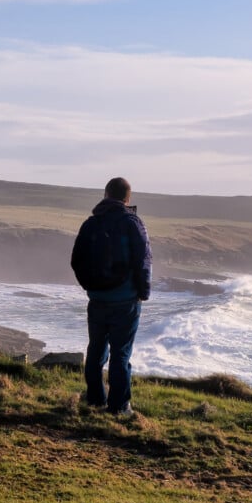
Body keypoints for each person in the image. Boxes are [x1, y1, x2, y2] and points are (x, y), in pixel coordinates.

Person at [70, 177, 152, 417]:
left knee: (95, 350)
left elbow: (77, 260)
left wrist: (89, 286)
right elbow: (144, 261)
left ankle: (95, 399)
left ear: (106, 194)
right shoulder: (133, 223)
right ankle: (118, 407)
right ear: (128, 198)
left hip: (97, 298)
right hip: (126, 300)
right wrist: (143, 292)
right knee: (121, 353)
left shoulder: (91, 223)